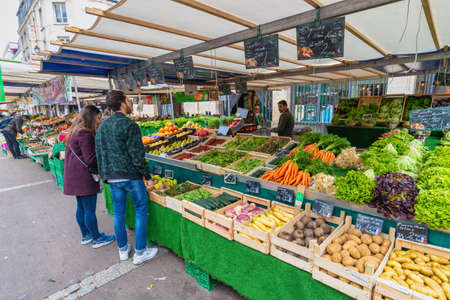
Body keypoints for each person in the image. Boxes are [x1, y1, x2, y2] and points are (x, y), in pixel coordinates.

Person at [95, 90, 158, 265]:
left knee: (118, 214)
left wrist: (103, 175)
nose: (130, 103)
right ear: (122, 103)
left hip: (112, 178)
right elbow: (137, 155)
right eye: (129, 100)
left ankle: (123, 250)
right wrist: (147, 176)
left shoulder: (102, 126)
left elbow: (99, 154)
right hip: (131, 176)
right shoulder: (129, 125)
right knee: (141, 211)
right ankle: (140, 252)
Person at [64, 105, 115, 248]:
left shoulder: (74, 130)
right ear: (91, 117)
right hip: (83, 177)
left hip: (73, 176)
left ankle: (86, 235)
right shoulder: (84, 133)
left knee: (81, 207)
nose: (99, 121)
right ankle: (97, 238)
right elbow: (91, 158)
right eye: (98, 118)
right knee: (89, 209)